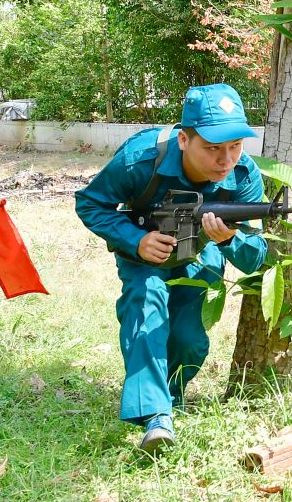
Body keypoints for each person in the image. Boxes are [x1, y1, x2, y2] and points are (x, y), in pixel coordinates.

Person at [75, 84, 270, 452]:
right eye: (213, 148)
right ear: (184, 139)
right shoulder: (141, 158)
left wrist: (228, 239)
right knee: (146, 312)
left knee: (189, 340)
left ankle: (170, 396)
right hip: (147, 252)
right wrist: (136, 240)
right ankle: (156, 416)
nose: (225, 159)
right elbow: (90, 204)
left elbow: (255, 257)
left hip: (201, 254)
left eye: (235, 146)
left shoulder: (243, 176)